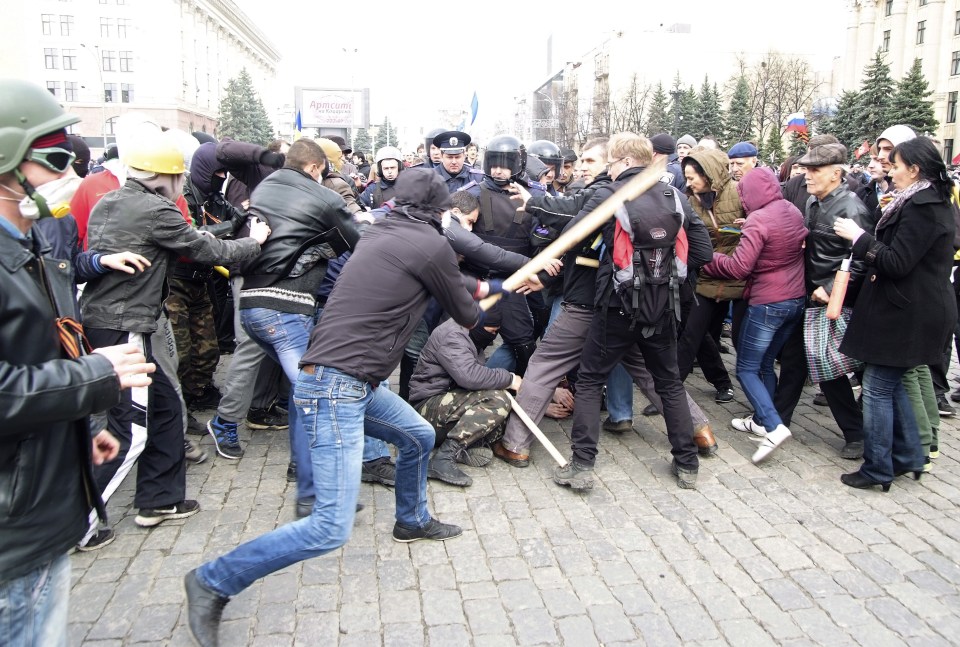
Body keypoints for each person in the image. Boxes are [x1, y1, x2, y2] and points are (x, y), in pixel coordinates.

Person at [184, 169, 504, 646]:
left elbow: (450, 282)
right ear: (439, 213)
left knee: (416, 436)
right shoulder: (429, 242)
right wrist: (498, 291)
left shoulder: (384, 232)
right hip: (337, 385)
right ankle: (213, 580)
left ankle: (411, 519)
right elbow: (465, 313)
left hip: (346, 378)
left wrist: (487, 287)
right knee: (329, 527)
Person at [0, 78, 155, 646]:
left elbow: (33, 355)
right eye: (57, 155)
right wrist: (97, 375)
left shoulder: (34, 242)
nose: (71, 170)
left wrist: (75, 433)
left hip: (34, 500)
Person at [81, 129, 269, 531]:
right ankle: (80, 522)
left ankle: (159, 500)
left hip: (119, 320)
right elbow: (209, 251)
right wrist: (253, 241)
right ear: (166, 177)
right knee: (130, 430)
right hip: (125, 324)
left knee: (166, 412)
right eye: (179, 178)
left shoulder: (110, 200)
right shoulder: (157, 209)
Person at [554, 133, 701, 490]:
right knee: (669, 383)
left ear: (619, 162)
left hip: (615, 308)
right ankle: (687, 463)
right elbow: (704, 253)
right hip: (664, 308)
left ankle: (582, 466)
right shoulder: (674, 195)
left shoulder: (610, 194)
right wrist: (661, 277)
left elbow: (571, 235)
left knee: (589, 380)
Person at [834, 136, 957, 491]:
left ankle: (878, 467)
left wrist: (859, 238)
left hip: (908, 314)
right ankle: (908, 456)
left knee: (876, 388)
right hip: (908, 309)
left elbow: (897, 262)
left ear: (915, 169)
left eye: (897, 165)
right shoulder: (923, 199)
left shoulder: (924, 205)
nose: (891, 170)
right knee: (892, 383)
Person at [701, 167, 808, 462]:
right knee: (763, 364)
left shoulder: (758, 221)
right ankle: (763, 419)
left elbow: (739, 268)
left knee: (746, 368)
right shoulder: (789, 209)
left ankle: (774, 427)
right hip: (794, 298)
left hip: (768, 302)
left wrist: (709, 259)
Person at [409, 312, 518, 487]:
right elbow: (470, 377)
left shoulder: (469, 332)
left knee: (501, 417)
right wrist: (510, 379)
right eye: (491, 331)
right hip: (426, 408)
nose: (492, 336)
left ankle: (464, 447)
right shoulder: (453, 335)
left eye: (496, 332)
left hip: (447, 403)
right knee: (498, 401)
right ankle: (444, 457)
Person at [676, 147, 745, 403]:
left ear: (711, 175)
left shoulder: (739, 193)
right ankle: (671, 393)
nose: (689, 182)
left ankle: (736, 386)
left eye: (693, 177)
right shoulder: (690, 201)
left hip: (740, 275)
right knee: (693, 333)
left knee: (739, 338)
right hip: (705, 275)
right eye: (687, 177)